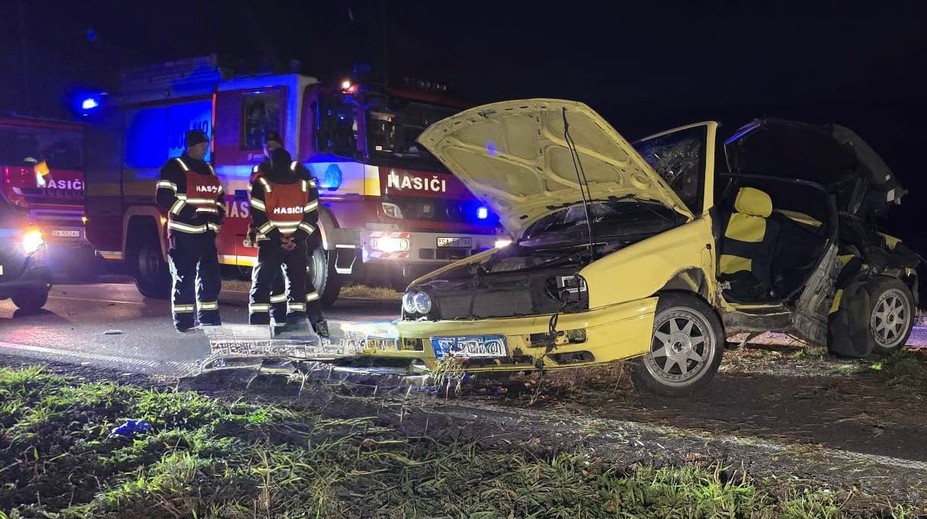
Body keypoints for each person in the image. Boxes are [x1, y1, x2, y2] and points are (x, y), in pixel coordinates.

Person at [248, 145, 329, 338]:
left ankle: (259, 329)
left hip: (271, 244)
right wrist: (297, 238)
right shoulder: (304, 185)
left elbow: (259, 217)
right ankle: (303, 324)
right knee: (299, 284)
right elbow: (312, 217)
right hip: (297, 244)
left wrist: (278, 238)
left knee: (263, 283)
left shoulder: (263, 184)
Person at [155, 129, 224, 332]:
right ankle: (184, 322)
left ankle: (209, 317)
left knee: (210, 277)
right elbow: (163, 196)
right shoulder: (175, 167)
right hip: (183, 232)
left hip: (206, 233)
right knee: (184, 277)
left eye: (207, 146)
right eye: (203, 145)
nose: (205, 149)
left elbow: (219, 199)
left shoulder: (208, 170)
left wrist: (217, 218)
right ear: (192, 146)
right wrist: (189, 213)